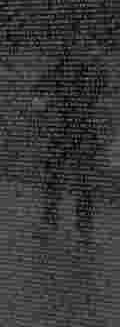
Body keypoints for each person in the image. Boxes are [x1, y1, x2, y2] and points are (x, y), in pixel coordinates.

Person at [31, 34, 109, 239]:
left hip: (83, 130)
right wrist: (41, 99)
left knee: (83, 180)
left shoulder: (93, 69)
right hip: (65, 129)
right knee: (54, 176)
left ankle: (83, 229)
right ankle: (51, 222)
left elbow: (99, 84)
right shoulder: (63, 66)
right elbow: (40, 88)